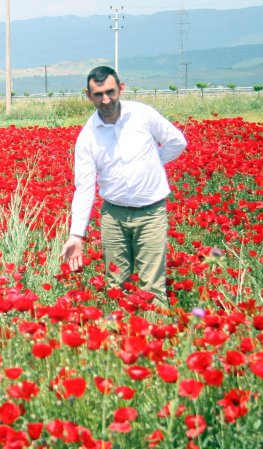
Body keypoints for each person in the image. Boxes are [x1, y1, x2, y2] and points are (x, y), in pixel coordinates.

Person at [60, 66, 187, 308]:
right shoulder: (87, 136)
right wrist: (76, 235)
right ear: (88, 95)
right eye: (98, 94)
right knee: (116, 286)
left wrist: (155, 162)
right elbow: (84, 188)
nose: (105, 100)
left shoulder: (142, 115)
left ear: (121, 88)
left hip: (151, 213)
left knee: (153, 288)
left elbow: (177, 141)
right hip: (114, 216)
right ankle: (122, 339)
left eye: (110, 92)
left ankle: (155, 337)